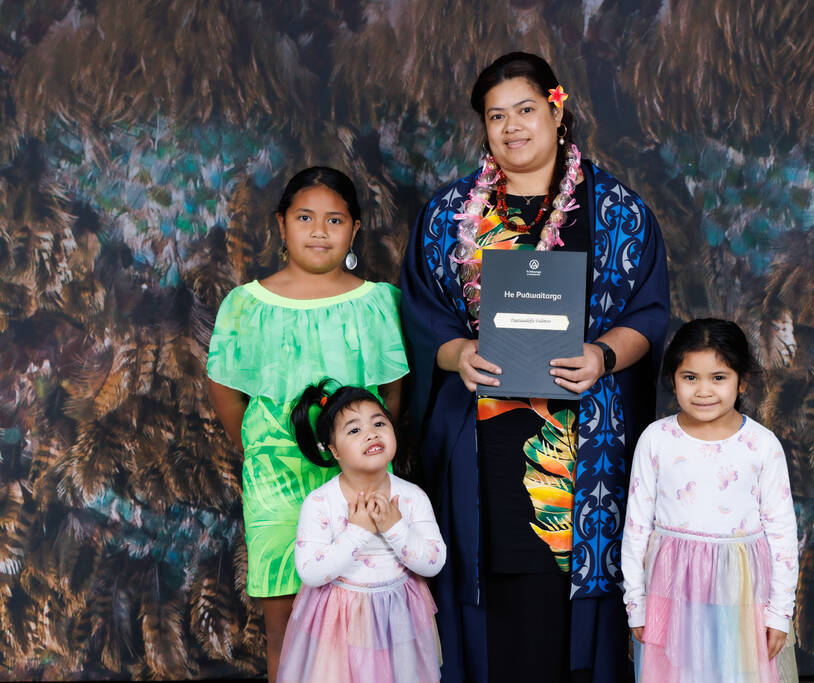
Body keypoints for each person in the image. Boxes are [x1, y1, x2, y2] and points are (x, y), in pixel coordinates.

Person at [400, 52, 670, 682]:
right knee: (490, 589)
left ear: (557, 109)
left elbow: (649, 314)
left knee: (569, 605)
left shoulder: (615, 213)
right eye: (497, 116)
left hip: (583, 439)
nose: (512, 127)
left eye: (525, 110)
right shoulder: (448, 217)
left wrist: (602, 356)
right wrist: (457, 354)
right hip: (482, 436)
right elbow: (421, 314)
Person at [206, 167, 408, 682]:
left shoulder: (378, 303)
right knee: (291, 629)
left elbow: (391, 394)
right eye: (305, 217)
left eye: (335, 219)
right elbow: (227, 394)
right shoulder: (245, 306)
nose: (319, 231)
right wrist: (263, 452)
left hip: (356, 484)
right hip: (275, 484)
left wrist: (362, 460)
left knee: (360, 621)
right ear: (281, 224)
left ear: (354, 230)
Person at [621, 318, 799, 682]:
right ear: (673, 379)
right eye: (690, 377)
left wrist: (780, 612)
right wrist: (636, 605)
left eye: (718, 378)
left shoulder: (762, 446)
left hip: (741, 591)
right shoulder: (656, 440)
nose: (704, 391)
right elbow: (636, 528)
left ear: (742, 381)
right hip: (671, 588)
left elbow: (782, 535)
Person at [276, 382, 445, 682]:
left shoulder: (412, 497)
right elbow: (311, 572)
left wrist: (395, 528)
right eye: (354, 430)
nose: (371, 433)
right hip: (339, 621)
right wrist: (357, 532)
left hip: (398, 618)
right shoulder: (320, 503)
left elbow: (434, 562)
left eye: (379, 423)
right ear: (333, 450)